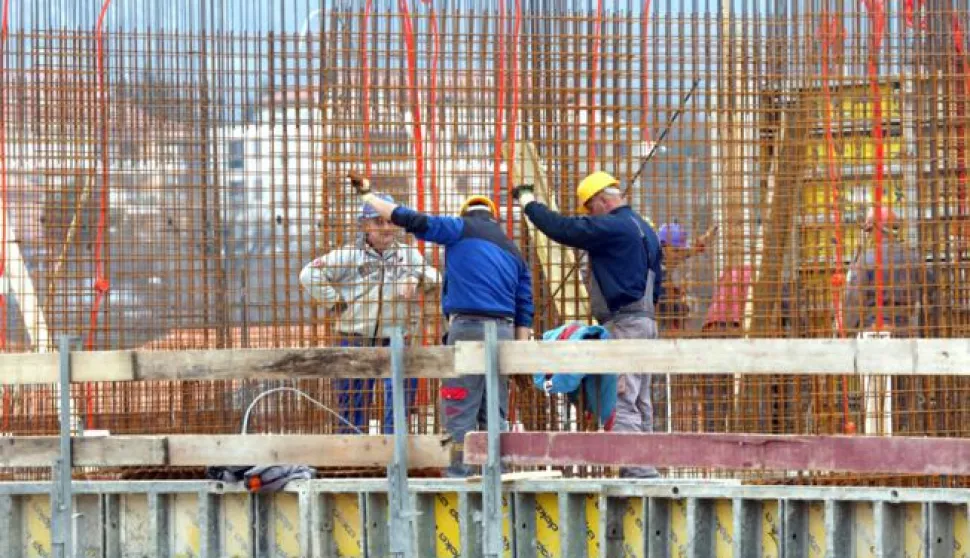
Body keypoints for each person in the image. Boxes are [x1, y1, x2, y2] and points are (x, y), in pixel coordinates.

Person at [347, 174, 534, 477]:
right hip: (503, 332)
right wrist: (520, 353)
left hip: (467, 329)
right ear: (493, 218)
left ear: (465, 213)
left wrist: (368, 197)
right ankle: (496, 476)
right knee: (494, 410)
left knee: (459, 407)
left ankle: (459, 477)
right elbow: (525, 307)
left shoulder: (460, 229)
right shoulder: (513, 251)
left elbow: (410, 219)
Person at [513, 171, 662, 478]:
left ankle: (637, 471)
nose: (591, 217)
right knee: (641, 398)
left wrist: (529, 203)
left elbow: (564, 229)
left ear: (603, 201)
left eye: (591, 209)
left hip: (626, 324)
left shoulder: (613, 225)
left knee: (621, 398)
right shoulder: (644, 228)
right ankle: (646, 465)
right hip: (646, 321)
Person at [299, 193, 440, 434]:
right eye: (378, 222)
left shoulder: (409, 255)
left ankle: (392, 459)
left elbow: (436, 279)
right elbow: (308, 274)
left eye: (389, 222)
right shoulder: (348, 256)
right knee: (351, 409)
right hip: (355, 339)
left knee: (398, 406)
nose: (386, 228)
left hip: (397, 340)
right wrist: (335, 303)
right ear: (365, 225)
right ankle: (354, 462)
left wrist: (415, 277)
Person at [656, 221, 718, 332]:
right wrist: (685, 305)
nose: (679, 255)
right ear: (663, 247)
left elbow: (690, 251)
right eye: (675, 251)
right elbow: (667, 306)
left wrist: (706, 238)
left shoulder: (667, 258)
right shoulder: (657, 271)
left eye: (681, 251)